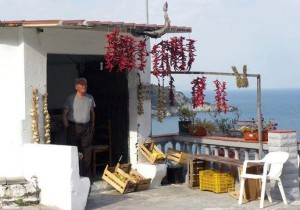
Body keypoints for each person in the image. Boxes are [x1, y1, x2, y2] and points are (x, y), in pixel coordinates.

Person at [62, 78, 96, 178]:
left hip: (86, 127)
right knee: (72, 150)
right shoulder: (70, 98)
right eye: (81, 84)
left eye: (85, 84)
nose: (84, 86)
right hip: (74, 127)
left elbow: (92, 112)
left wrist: (92, 124)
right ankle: (73, 175)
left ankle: (86, 175)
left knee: (87, 151)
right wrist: (67, 127)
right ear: (76, 87)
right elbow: (64, 114)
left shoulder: (90, 98)